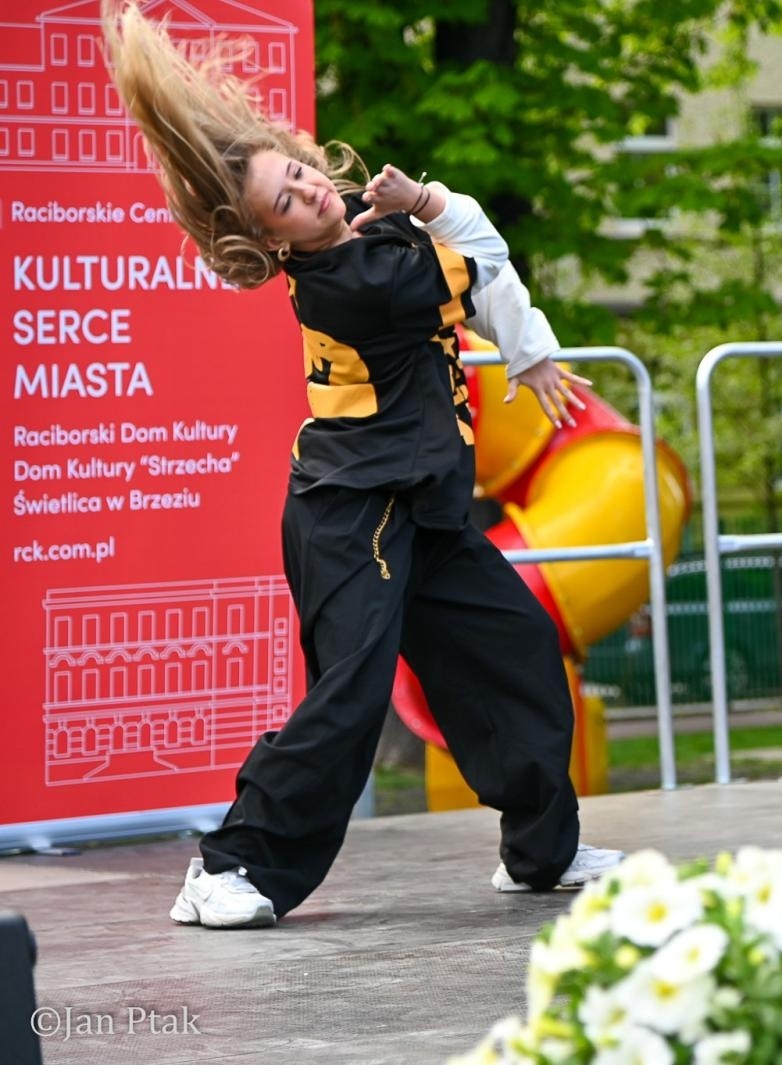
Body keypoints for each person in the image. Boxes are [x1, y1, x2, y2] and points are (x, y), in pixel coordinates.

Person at [102, 1, 620, 928]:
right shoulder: (359, 280)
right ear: (272, 242)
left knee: (517, 650)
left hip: (422, 504)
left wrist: (528, 346)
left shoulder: (370, 243)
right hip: (352, 515)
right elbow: (485, 251)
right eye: (288, 204)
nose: (310, 195)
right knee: (350, 693)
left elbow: (485, 273)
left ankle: (543, 855)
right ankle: (231, 867)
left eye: (301, 177)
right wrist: (425, 201)